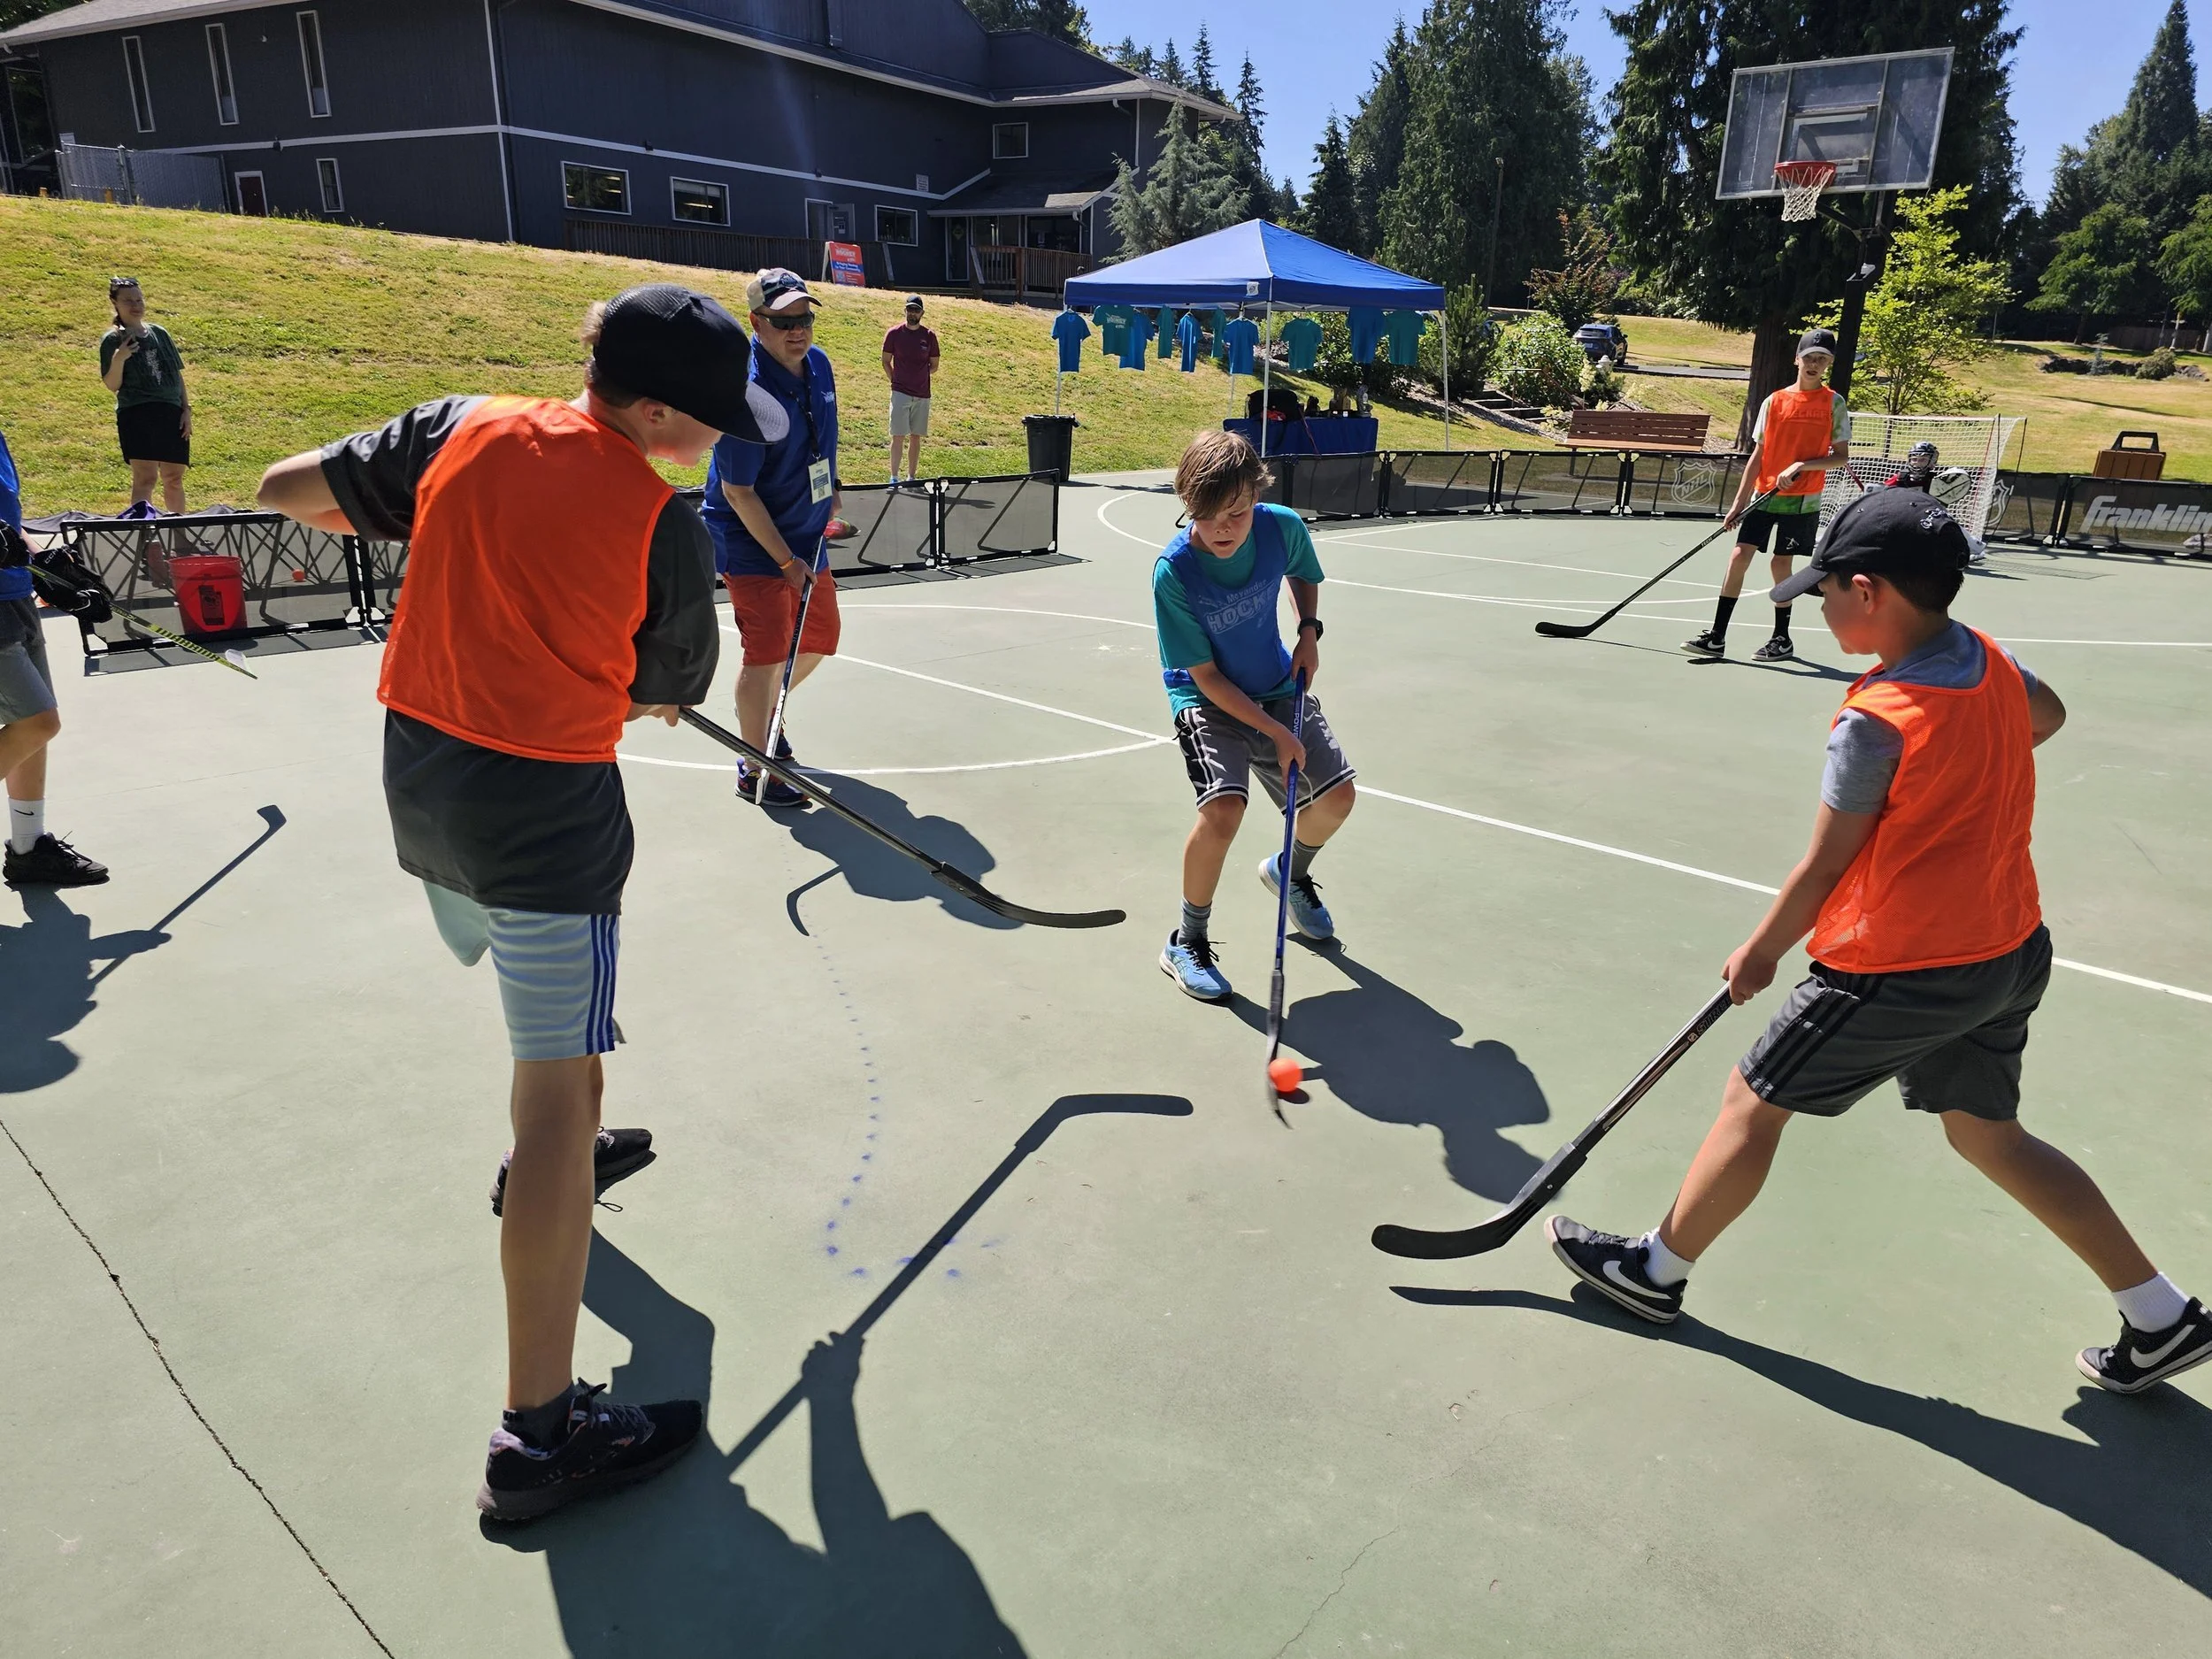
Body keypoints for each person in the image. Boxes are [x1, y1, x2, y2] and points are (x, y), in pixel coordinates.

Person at [256, 283, 790, 1520]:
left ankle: (558, 1161)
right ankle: (539, 1435)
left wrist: (452, 526)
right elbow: (667, 687)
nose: (716, 442)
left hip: (421, 789)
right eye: (707, 421)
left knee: (557, 1066)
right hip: (544, 817)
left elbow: (293, 488)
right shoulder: (664, 529)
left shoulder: (463, 426)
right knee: (557, 1086)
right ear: (654, 409)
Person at [1549, 487, 2212, 1397]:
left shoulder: (1877, 716)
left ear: (1870, 593)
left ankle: (1653, 1274)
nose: (1818, 607)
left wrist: (1759, 952)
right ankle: (2160, 1314)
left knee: (1752, 1099)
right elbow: (2045, 719)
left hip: (1897, 965)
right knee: (1990, 1137)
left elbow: (1823, 869)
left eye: (1825, 592)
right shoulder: (1984, 657)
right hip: (2007, 950)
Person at [1154, 430, 1356, 1002]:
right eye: (1210, 515)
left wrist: (1309, 633)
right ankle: (1185, 941)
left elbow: (1304, 573)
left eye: (1238, 512)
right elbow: (1208, 678)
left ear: (1255, 499)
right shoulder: (1174, 574)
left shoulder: (1278, 526)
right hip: (1205, 698)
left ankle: (1289, 873)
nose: (1225, 527)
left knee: (1337, 798)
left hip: (1273, 681)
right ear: (1188, 506)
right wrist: (1273, 732)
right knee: (1223, 811)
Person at [702, 268, 845, 809]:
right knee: (764, 655)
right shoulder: (746, 391)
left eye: (804, 318)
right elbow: (738, 491)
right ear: (756, 322)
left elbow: (824, 440)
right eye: (783, 321)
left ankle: (764, 716)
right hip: (754, 544)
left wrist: (833, 491)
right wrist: (783, 560)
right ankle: (753, 762)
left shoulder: (821, 365)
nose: (797, 330)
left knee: (818, 639)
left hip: (807, 534)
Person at [1686, 327, 1849, 664]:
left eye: (1822, 359)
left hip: (1802, 499)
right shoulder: (1774, 401)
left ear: (1828, 364)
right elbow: (1758, 455)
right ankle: (1716, 637)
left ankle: (1781, 639)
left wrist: (1802, 464)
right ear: (1797, 359)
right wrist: (1738, 503)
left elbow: (1841, 457)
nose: (1815, 364)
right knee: (1738, 557)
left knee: (1780, 563)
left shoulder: (1833, 403)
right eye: (1809, 357)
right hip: (1765, 495)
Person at [0, 428, 107, 890]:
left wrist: (50, 568)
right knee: (38, 722)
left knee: (33, 731)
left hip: (14, 595)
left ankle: (28, 849)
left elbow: (7, 523)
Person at [96, 277, 193, 515]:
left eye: (139, 299)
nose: (136, 305)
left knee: (174, 478)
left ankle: (180, 538)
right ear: (115, 303)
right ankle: (143, 537)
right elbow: (112, 384)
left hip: (171, 412)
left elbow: (175, 374)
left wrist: (186, 410)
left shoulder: (160, 333)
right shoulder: (113, 340)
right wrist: (119, 359)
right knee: (146, 478)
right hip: (137, 412)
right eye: (128, 300)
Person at [880, 294, 939, 485]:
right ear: (905, 310)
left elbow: (934, 365)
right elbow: (886, 361)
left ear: (922, 313)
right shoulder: (894, 334)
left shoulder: (929, 336)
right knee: (898, 435)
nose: (912, 313)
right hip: (900, 393)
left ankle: (911, 477)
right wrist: (895, 380)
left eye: (916, 310)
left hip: (922, 395)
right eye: (910, 309)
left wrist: (920, 376)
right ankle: (894, 478)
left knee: (916, 437)